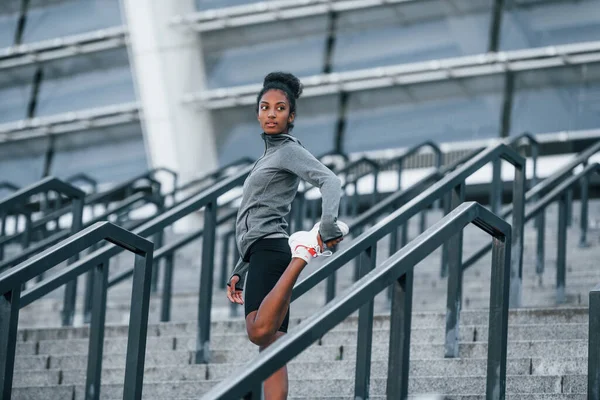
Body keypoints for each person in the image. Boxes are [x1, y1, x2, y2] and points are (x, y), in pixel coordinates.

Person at [226, 71, 349, 400]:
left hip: (272, 251)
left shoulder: (287, 150)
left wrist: (327, 226)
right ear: (257, 113)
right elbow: (255, 212)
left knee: (259, 332)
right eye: (265, 107)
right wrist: (242, 266)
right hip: (260, 253)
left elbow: (330, 181)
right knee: (272, 350)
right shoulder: (267, 156)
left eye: (280, 108)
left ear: (291, 116)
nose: (271, 113)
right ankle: (301, 252)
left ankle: (303, 253)